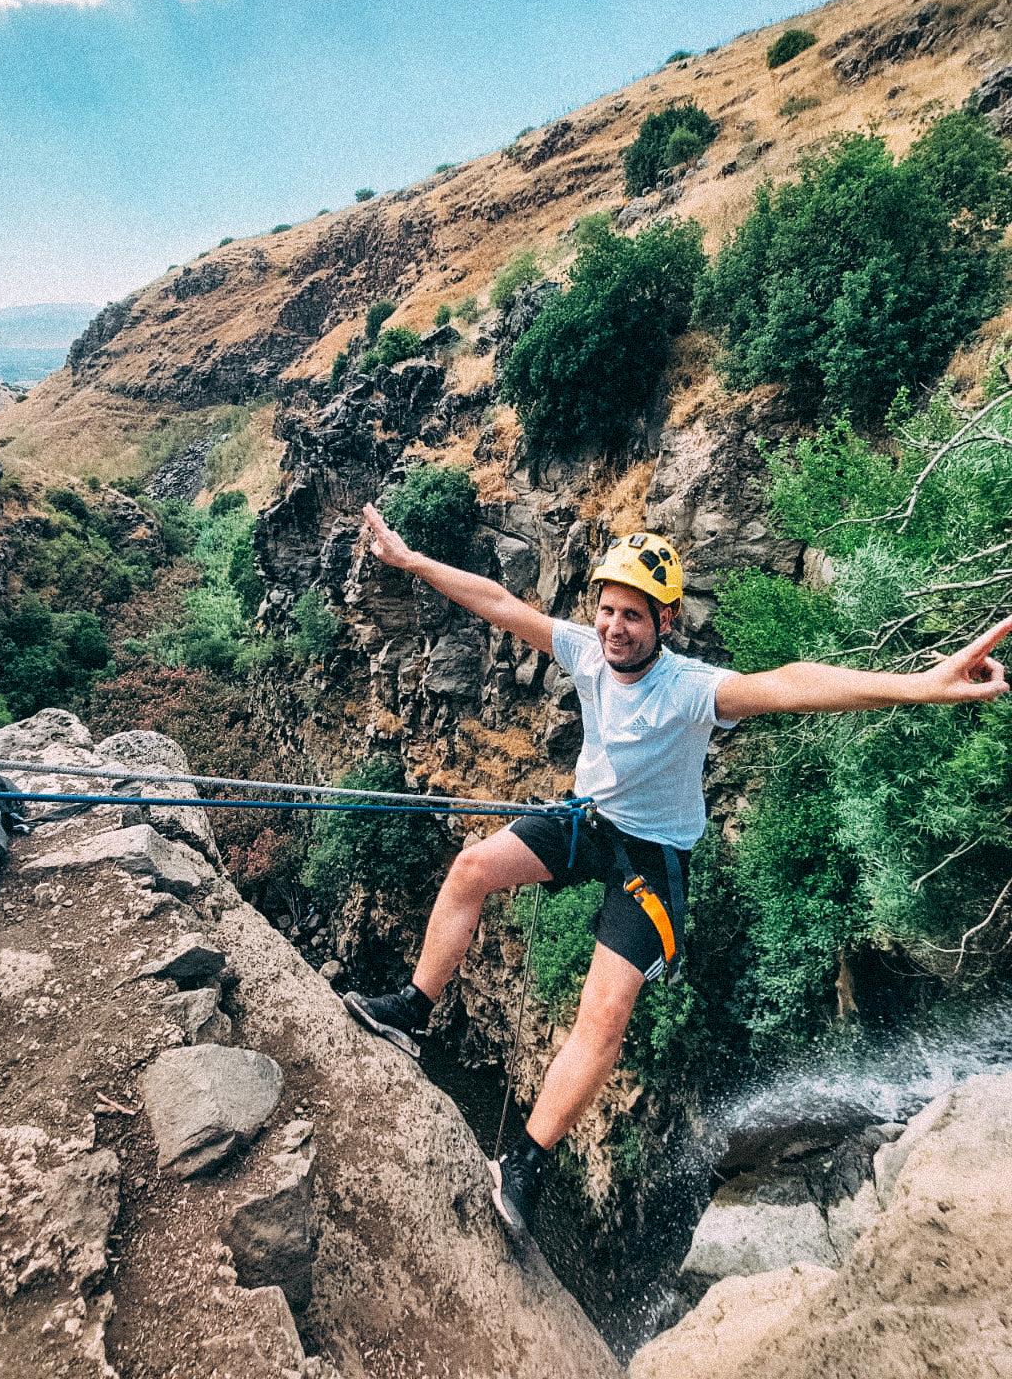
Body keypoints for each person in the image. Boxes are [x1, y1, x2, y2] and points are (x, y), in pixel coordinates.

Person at [342, 501, 1012, 1245]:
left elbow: (792, 683)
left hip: (651, 860)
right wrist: (410, 562)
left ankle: (526, 1166)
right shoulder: (587, 654)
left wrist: (923, 683)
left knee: (605, 1012)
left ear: (664, 622)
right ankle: (412, 1008)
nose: (613, 627)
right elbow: (499, 604)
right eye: (606, 610)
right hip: (588, 823)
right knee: (472, 868)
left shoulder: (693, 690)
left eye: (633, 614)